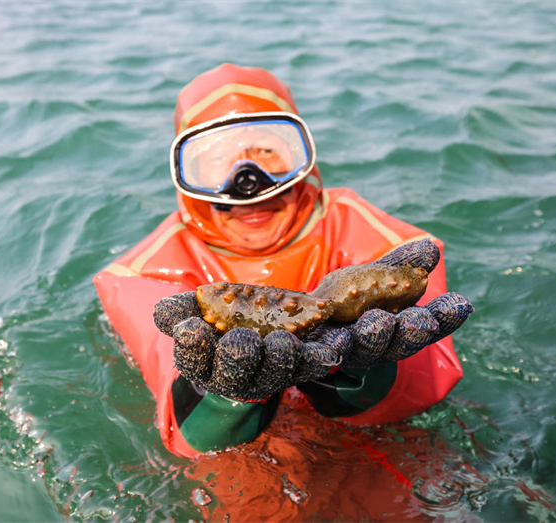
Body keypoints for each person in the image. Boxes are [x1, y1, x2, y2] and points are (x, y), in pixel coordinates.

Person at [94, 63, 471, 459]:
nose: (248, 180)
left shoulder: (381, 240)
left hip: (383, 447)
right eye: (219, 157)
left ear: (299, 153)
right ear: (186, 173)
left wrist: (363, 369)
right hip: (244, 464)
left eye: (266, 150)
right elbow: (187, 437)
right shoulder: (140, 275)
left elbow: (430, 380)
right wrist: (225, 392)